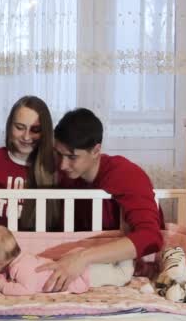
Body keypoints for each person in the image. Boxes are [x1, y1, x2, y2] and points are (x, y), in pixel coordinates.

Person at [36, 108, 164, 292]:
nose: (63, 165)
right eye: (59, 154)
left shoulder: (125, 174)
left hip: (124, 267)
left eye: (72, 157)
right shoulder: (70, 177)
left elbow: (151, 238)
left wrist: (82, 258)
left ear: (96, 150)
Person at [0, 96, 60, 231]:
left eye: (35, 130)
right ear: (10, 126)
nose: (26, 137)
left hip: (44, 245)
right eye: (20, 127)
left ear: (44, 132)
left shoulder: (59, 164)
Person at [0, 225, 134, 296]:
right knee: (108, 266)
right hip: (77, 262)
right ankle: (119, 254)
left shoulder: (21, 269)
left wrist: (3, 287)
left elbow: (27, 289)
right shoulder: (24, 258)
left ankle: (129, 248)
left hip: (81, 274)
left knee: (121, 275)